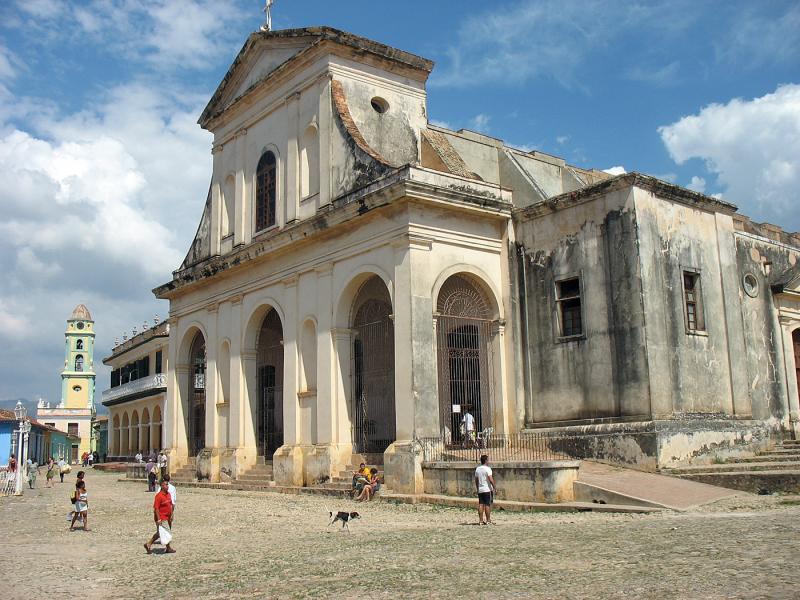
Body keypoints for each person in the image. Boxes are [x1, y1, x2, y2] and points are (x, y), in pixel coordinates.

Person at [144, 479, 175, 554]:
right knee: (162, 532)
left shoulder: (168, 494)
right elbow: (156, 508)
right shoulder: (159, 496)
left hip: (168, 517)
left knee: (166, 532)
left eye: (167, 484)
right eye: (165, 485)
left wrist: (172, 514)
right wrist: (158, 519)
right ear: (161, 486)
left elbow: (170, 505)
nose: (167, 486)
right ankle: (149, 544)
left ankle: (167, 548)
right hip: (162, 517)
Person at [474, 454, 496, 525]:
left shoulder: (477, 469)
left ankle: (480, 521)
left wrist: (477, 488)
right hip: (487, 489)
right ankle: (488, 520)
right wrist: (494, 487)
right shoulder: (488, 469)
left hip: (480, 489)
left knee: (481, 504)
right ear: (486, 460)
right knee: (487, 504)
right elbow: (490, 479)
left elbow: (476, 480)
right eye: (488, 460)